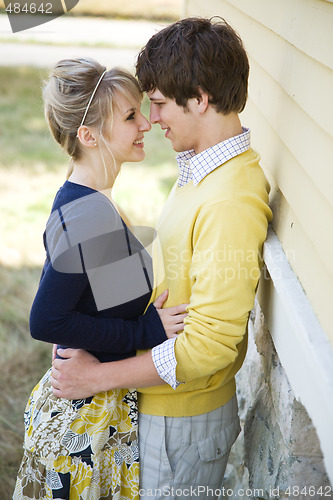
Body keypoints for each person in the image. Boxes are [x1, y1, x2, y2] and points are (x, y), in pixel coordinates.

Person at [51, 18, 273, 499]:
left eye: (158, 104)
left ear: (199, 98)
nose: (151, 120)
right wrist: (91, 333)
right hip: (162, 405)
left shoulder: (229, 198)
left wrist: (95, 377)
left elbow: (209, 347)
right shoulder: (199, 170)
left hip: (184, 423)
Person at [13, 57, 188, 500]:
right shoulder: (88, 212)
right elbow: (46, 320)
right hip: (80, 429)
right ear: (88, 136)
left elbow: (88, 300)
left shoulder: (86, 197)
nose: (146, 123)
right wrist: (144, 330)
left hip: (97, 413)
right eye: (131, 116)